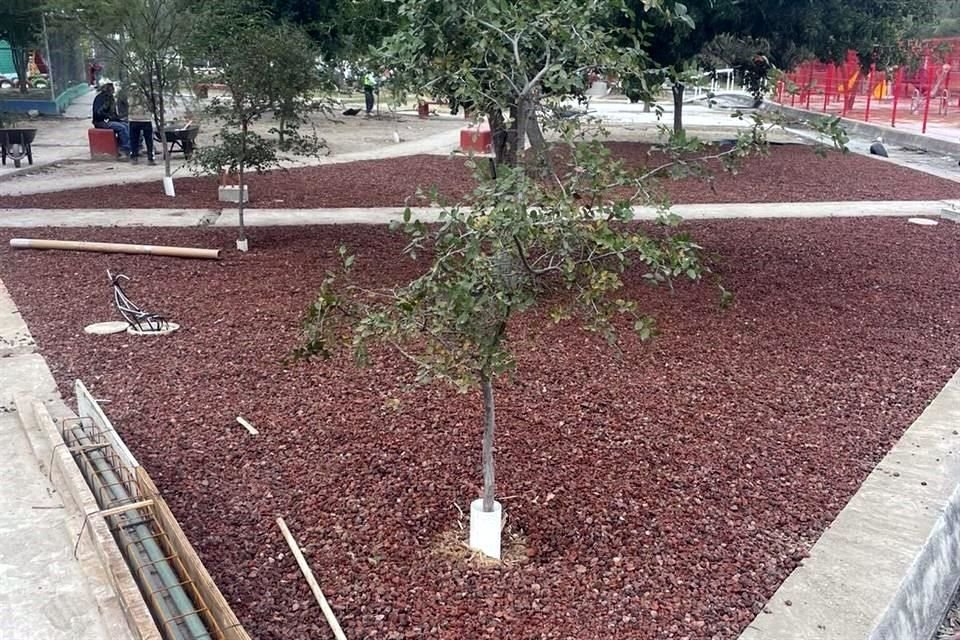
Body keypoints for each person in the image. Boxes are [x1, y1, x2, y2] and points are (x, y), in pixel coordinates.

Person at [92, 82, 131, 160]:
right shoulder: (100, 98)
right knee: (121, 128)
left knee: (127, 125)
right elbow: (98, 113)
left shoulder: (110, 98)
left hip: (109, 120)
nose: (113, 90)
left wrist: (118, 119)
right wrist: (109, 116)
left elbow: (113, 113)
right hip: (101, 122)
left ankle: (122, 146)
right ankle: (124, 150)